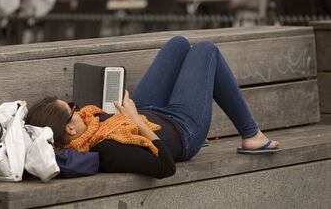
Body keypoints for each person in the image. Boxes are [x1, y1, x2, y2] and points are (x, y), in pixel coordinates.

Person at [26, 36, 280, 179]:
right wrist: (135, 120)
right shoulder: (108, 149)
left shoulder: (88, 129)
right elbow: (165, 167)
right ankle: (252, 135)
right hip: (183, 129)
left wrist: (130, 115)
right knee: (206, 50)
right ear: (70, 129)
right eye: (72, 109)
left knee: (178, 44)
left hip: (149, 113)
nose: (79, 109)